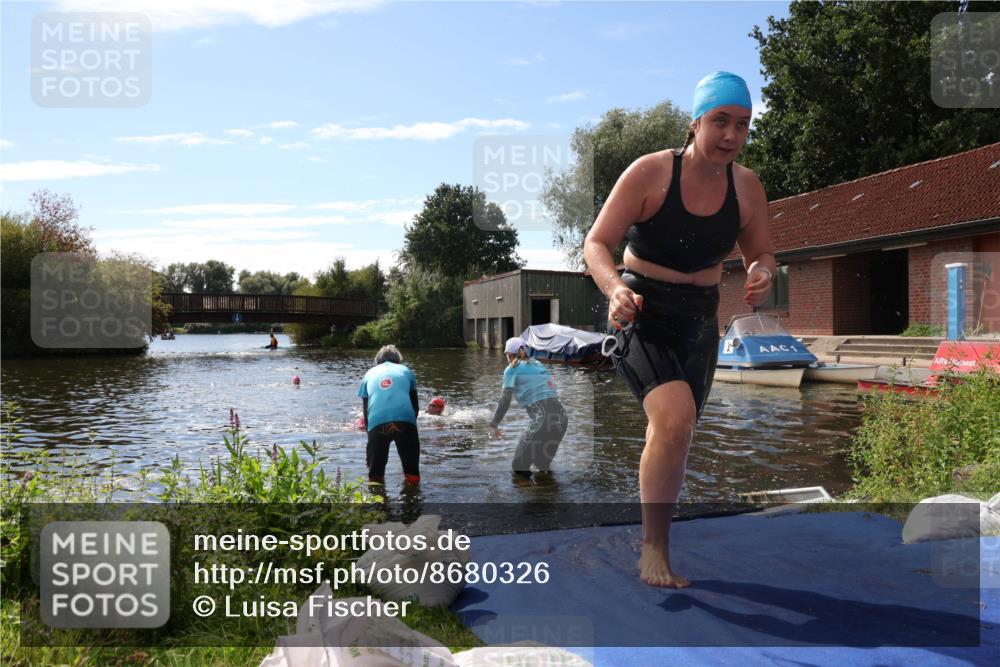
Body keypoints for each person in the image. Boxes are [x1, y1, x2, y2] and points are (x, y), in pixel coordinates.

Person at [583, 71, 775, 588]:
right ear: (695, 123)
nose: (732, 136)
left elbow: (760, 252)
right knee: (673, 419)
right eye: (720, 122)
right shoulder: (651, 173)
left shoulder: (748, 187)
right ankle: (654, 551)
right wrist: (613, 289)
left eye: (743, 125)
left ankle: (655, 536)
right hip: (641, 308)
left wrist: (762, 271)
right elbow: (596, 243)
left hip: (699, 318)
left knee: (678, 431)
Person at [489, 337, 568, 482]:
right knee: (542, 465)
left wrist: (494, 423)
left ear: (510, 354)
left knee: (518, 467)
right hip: (562, 418)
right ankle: (550, 497)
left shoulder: (511, 368)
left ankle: (529, 501)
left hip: (543, 419)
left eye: (506, 354)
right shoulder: (538, 364)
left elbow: (505, 401)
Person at [358, 345, 421, 485]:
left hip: (377, 422)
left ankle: (378, 503)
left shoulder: (368, 373)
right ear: (398, 361)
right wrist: (408, 431)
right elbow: (415, 408)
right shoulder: (406, 371)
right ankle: (412, 501)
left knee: (375, 476)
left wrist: (371, 444)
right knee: (412, 474)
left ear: (377, 361)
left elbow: (366, 412)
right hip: (406, 420)